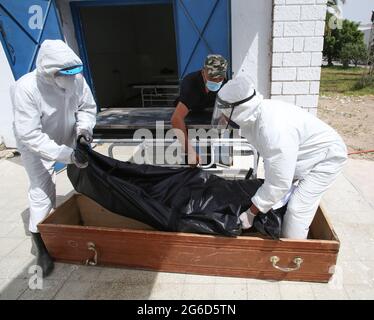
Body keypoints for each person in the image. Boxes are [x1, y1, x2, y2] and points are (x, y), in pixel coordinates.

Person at [214, 75, 347, 239]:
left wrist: (251, 213)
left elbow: (279, 182)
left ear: (239, 110)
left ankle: (294, 255)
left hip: (326, 157)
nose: (222, 117)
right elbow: (277, 165)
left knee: (297, 209)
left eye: (225, 112)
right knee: (277, 194)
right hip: (302, 152)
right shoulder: (256, 114)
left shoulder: (273, 129)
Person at [11, 40, 97, 276]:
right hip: (35, 143)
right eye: (64, 73)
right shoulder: (26, 88)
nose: (70, 77)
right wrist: (66, 155)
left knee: (85, 168)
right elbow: (30, 134)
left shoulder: (76, 79)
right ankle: (40, 246)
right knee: (42, 189)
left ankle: (86, 214)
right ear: (48, 71)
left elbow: (87, 108)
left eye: (73, 72)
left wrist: (83, 133)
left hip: (68, 131)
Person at [171, 54, 228, 166]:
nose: (216, 81)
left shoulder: (225, 83)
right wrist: (190, 151)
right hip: (190, 111)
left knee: (210, 156)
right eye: (212, 77)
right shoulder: (190, 84)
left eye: (220, 78)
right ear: (203, 72)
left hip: (209, 115)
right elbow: (176, 118)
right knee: (190, 160)